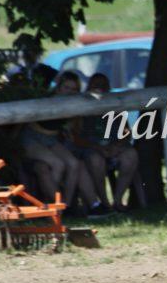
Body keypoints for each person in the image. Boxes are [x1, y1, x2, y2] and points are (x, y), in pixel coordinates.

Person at [19, 70, 110, 217]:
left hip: (51, 139)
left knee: (73, 164)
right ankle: (56, 204)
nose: (69, 92)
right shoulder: (49, 99)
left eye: (73, 89)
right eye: (66, 87)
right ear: (59, 87)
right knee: (58, 164)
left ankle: (66, 206)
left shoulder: (75, 103)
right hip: (33, 137)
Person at [69, 73, 147, 212]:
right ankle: (104, 203)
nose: (99, 88)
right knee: (95, 160)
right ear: (89, 86)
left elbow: (126, 132)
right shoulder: (81, 106)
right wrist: (96, 147)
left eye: (103, 85)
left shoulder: (114, 104)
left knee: (131, 155)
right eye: (95, 84)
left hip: (114, 147)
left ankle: (117, 201)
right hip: (91, 149)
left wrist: (117, 145)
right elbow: (75, 137)